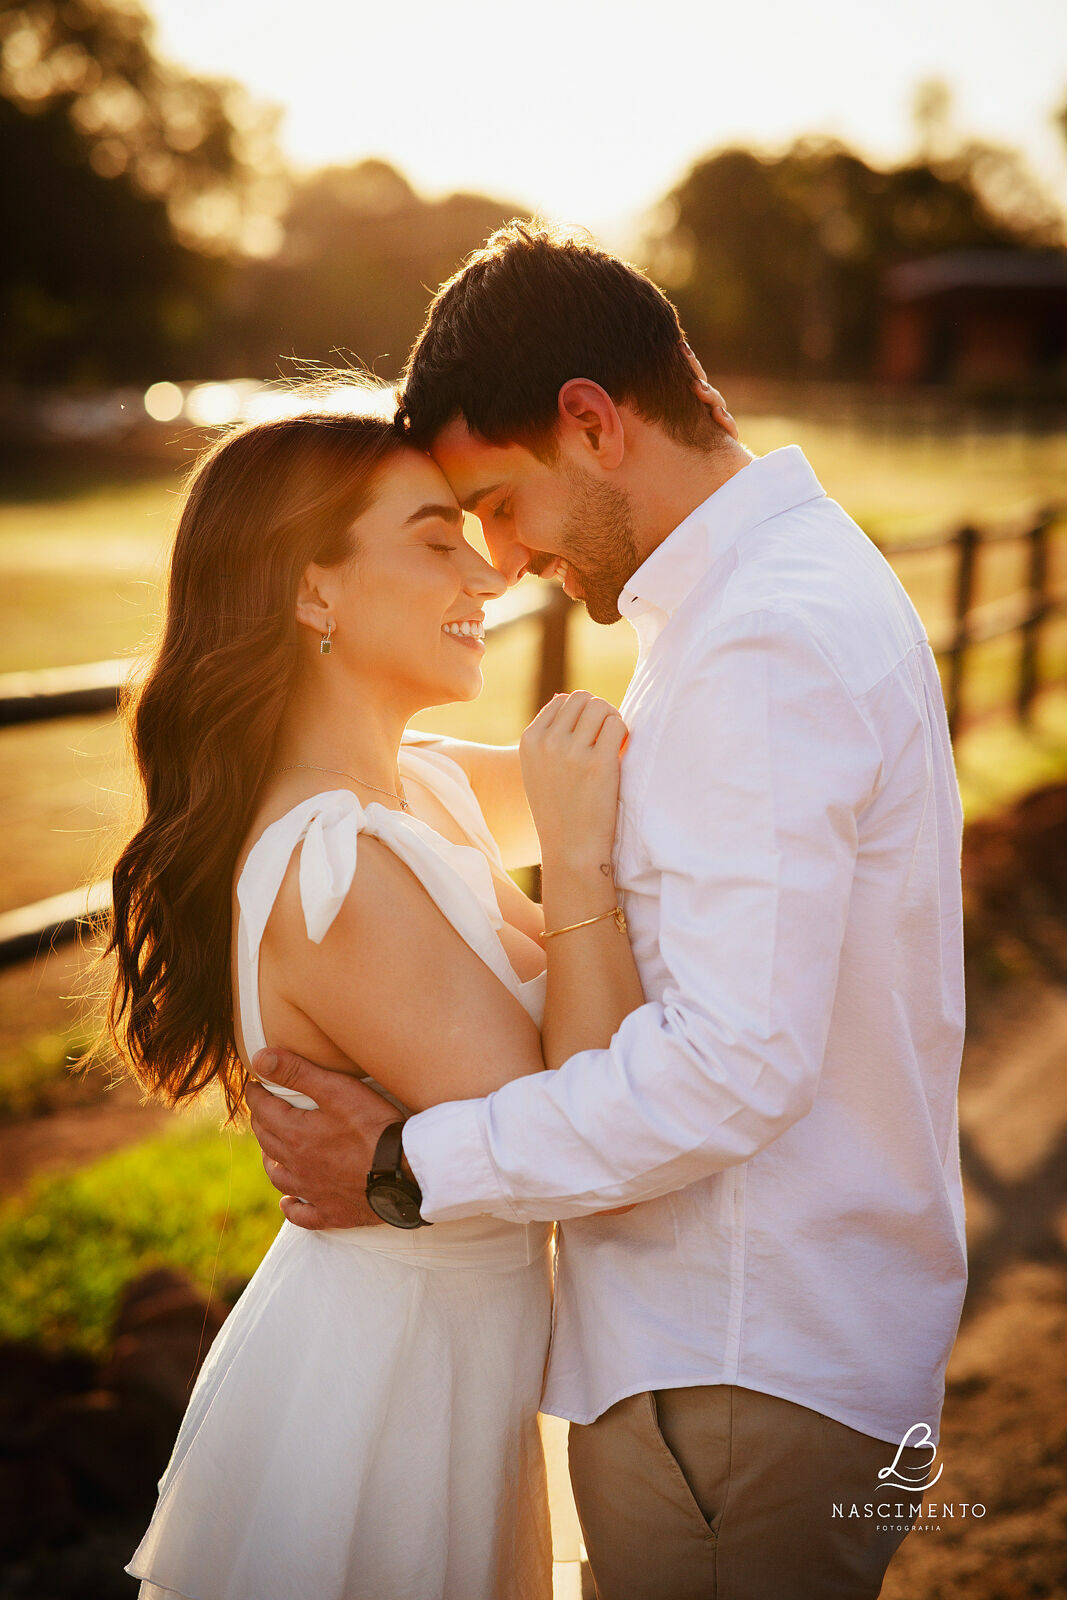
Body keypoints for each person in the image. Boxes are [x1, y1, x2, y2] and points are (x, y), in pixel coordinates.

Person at [248, 223, 968, 1599]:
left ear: (590, 422)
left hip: (735, 1369)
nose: (503, 557)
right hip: (751, 1358)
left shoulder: (758, 638)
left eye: (500, 502)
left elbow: (727, 1070)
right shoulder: (759, 601)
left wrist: (405, 1168)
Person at [108, 401, 645, 1599]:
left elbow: (654, 776)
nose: (488, 574)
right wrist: (576, 859)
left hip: (466, 1355)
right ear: (313, 595)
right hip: (393, 1385)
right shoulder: (329, 868)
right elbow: (583, 1117)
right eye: (433, 540)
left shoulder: (424, 792)